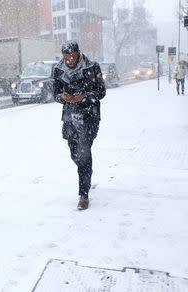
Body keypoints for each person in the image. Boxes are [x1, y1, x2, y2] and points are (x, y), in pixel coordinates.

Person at [53, 40, 106, 210]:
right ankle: (86, 172)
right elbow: (55, 93)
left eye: (72, 56)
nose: (69, 60)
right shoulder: (58, 69)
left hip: (89, 117)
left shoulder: (92, 67)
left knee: (84, 154)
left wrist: (84, 97)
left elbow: (101, 92)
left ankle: (83, 195)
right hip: (69, 118)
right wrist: (63, 97)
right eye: (66, 57)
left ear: (78, 52)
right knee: (75, 154)